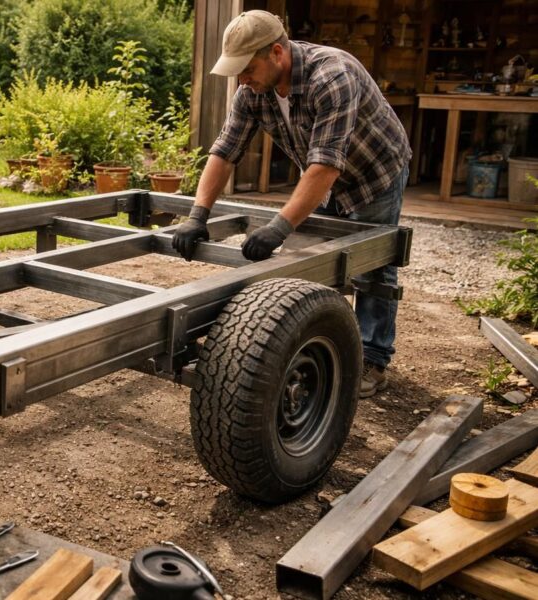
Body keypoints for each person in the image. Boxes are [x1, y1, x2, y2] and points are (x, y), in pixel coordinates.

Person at [171, 10, 411, 399]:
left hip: (374, 172)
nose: (242, 79)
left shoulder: (332, 76)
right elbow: (225, 151)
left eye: (247, 69)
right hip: (322, 174)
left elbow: (326, 166)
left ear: (277, 53)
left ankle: (372, 356)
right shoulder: (251, 91)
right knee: (309, 263)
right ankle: (315, 339)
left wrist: (279, 227)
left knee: (373, 265)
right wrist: (197, 215)